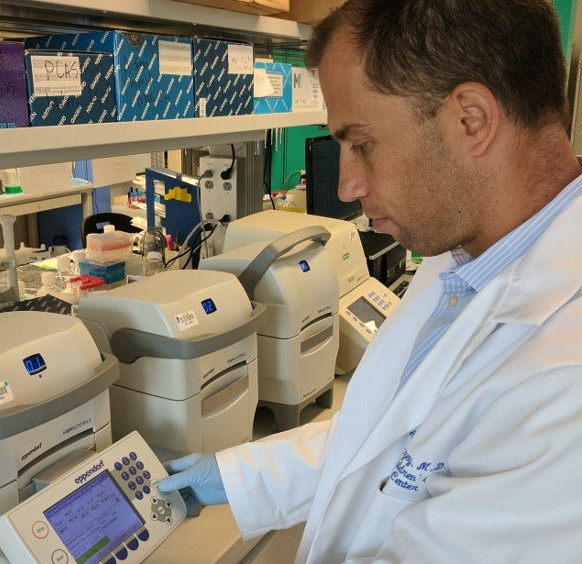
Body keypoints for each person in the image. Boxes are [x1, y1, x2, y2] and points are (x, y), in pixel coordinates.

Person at [158, 1, 582, 561]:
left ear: (471, 120)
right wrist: (239, 476)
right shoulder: (465, 256)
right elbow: (386, 445)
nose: (349, 186)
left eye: (362, 143)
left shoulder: (563, 376)